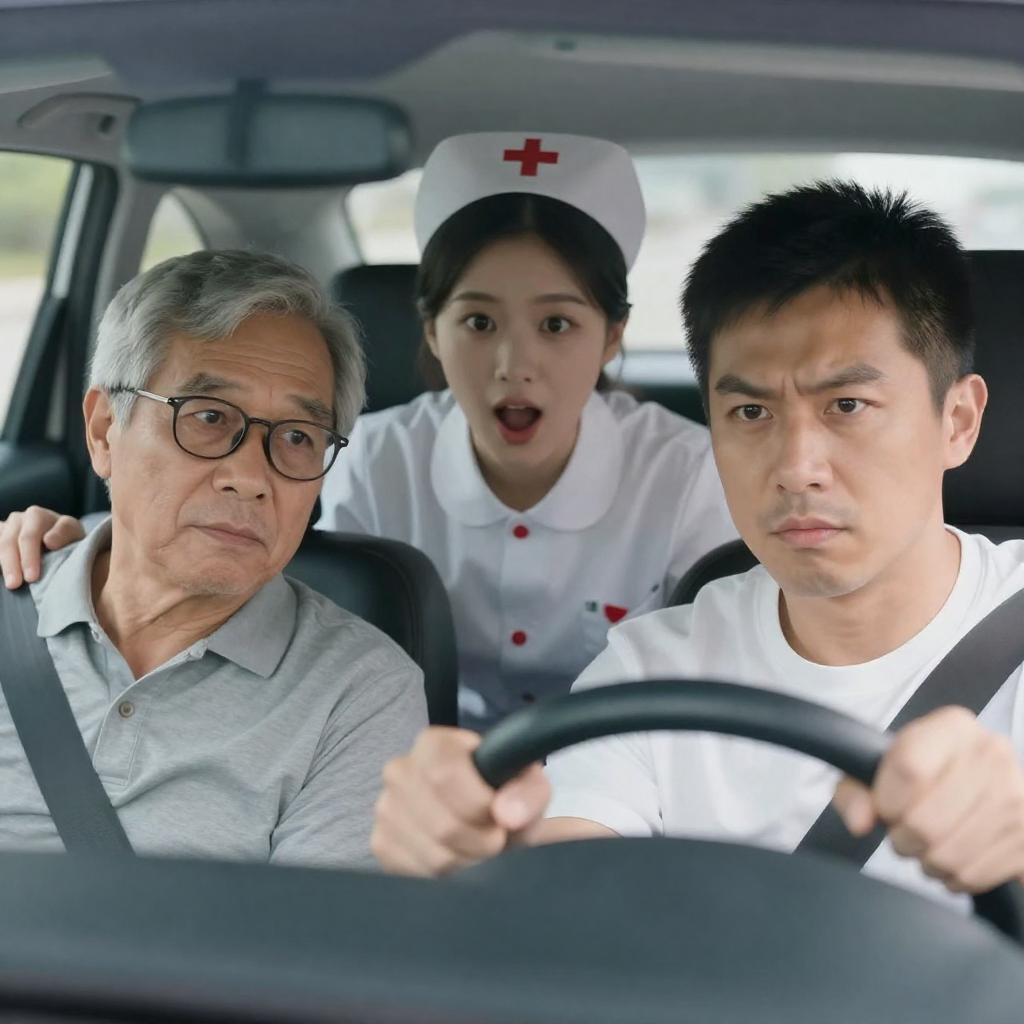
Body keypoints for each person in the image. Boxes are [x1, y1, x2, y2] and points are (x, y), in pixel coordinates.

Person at [370, 180, 1024, 907]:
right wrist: (482, 853)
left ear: (958, 421)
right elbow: (568, 870)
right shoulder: (650, 670)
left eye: (847, 405)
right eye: (750, 412)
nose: (796, 467)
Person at [0, 133, 738, 732]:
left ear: (612, 337)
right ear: (433, 332)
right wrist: (78, 548)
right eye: (478, 322)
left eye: (557, 325)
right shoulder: (373, 456)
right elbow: (256, 568)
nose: (514, 365)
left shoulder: (692, 475)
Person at [0, 250, 426, 865]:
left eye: (298, 436)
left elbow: (315, 928)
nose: (250, 477)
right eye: (207, 417)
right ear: (103, 431)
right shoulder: (14, 587)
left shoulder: (359, 692)